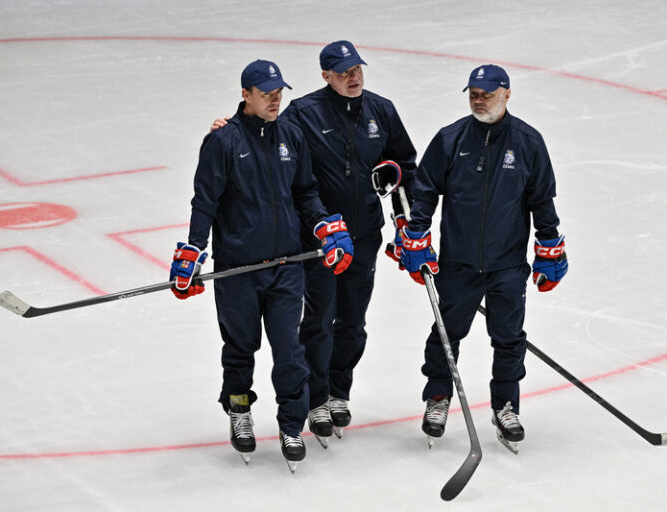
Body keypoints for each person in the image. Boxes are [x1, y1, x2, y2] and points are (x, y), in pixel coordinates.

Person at [211, 41, 417, 445]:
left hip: (365, 236)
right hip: (317, 243)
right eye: (343, 72)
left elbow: (406, 165)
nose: (353, 77)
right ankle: (317, 398)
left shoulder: (382, 110)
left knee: (353, 323)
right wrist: (227, 131)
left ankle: (340, 391)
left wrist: (395, 182)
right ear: (325, 76)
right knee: (320, 321)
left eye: (357, 69)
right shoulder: (303, 114)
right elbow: (265, 136)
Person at [170, 59, 354, 471]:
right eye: (266, 92)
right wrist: (193, 251)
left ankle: (291, 423)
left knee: (290, 350)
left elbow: (305, 191)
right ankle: (239, 410)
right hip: (239, 269)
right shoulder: (222, 142)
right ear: (245, 94)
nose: (275, 98)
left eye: (279, 91)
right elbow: (206, 202)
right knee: (241, 349)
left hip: (287, 264)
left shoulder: (292, 134)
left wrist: (323, 223)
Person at [400, 64, 568, 451]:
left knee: (509, 338)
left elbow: (542, 200)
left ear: (507, 94)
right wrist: (417, 232)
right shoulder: (451, 139)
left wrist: (549, 246)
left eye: (487, 94)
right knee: (446, 334)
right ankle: (438, 398)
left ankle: (506, 406)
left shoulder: (528, 142)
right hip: (457, 262)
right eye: (474, 93)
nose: (479, 99)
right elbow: (424, 189)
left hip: (507, 264)